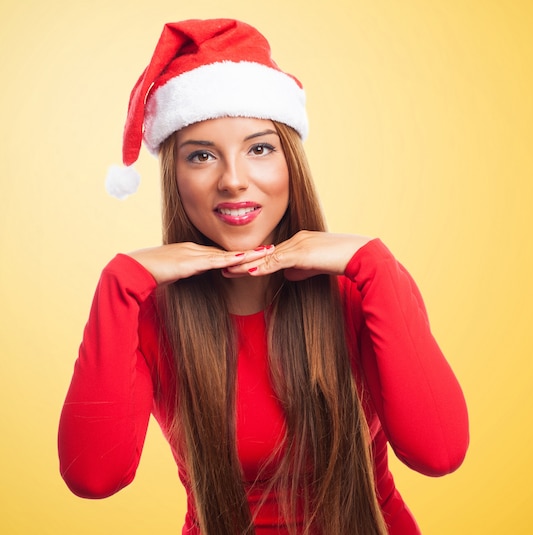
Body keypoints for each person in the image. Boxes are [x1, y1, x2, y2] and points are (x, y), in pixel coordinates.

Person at [58, 18, 469, 535]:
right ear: (175, 175)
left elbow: (440, 453)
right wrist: (118, 284)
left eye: (260, 148)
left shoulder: (358, 292)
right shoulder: (146, 315)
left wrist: (377, 265)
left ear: (290, 163)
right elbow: (94, 477)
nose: (233, 180)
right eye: (201, 155)